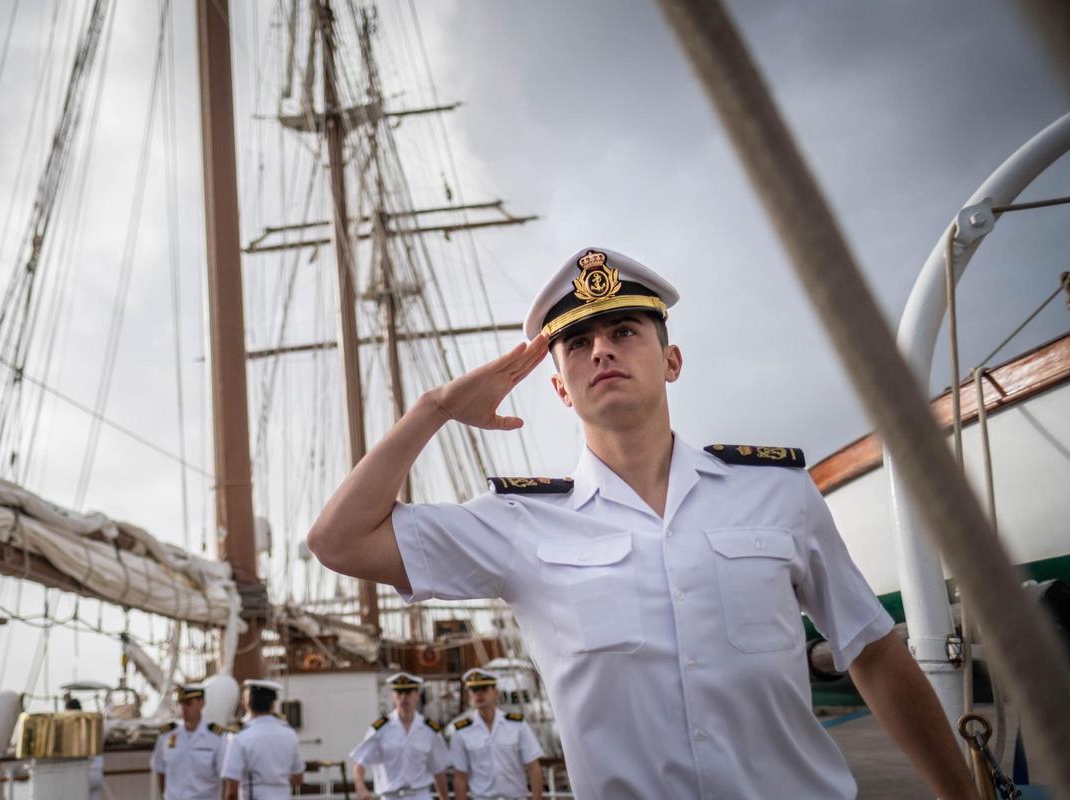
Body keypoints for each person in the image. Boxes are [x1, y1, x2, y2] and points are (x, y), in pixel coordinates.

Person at [308, 246, 978, 799]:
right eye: (577, 342)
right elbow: (338, 541)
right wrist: (436, 406)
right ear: (560, 387)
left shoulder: (776, 492)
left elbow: (874, 652)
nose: (601, 349)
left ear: (672, 360)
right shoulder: (519, 524)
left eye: (624, 331)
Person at [350, 672, 451, 800]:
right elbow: (360, 764)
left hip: (420, 795)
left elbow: (438, 770)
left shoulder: (429, 730)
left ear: (417, 695)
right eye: (399, 693)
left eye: (408, 692)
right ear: (393, 696)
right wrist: (361, 788)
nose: (403, 697)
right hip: (391, 796)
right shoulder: (380, 729)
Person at [448, 669, 543, 800]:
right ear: (469, 695)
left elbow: (534, 767)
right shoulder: (461, 731)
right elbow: (460, 776)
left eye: (484, 688)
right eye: (474, 690)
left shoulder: (517, 725)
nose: (479, 694)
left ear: (496, 693)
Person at [221, 679, 304, 799]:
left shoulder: (240, 737)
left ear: (247, 704)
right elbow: (298, 779)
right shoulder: (289, 735)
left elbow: (232, 788)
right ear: (272, 705)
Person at [150, 683, 227, 800]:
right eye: (181, 703)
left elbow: (225, 775)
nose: (183, 708)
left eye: (188, 703)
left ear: (202, 703)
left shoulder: (216, 736)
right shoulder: (167, 734)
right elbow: (160, 769)